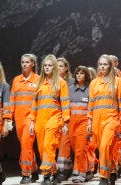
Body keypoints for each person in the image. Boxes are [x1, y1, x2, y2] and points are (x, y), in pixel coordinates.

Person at [28, 54, 71, 185]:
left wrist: (65, 122)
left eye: (50, 65)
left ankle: (46, 175)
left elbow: (65, 104)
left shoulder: (61, 83)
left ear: (54, 67)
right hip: (40, 119)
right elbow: (34, 104)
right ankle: (55, 173)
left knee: (48, 145)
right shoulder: (39, 83)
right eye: (45, 65)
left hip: (54, 118)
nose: (47, 67)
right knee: (42, 149)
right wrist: (32, 121)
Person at [87, 55, 121, 185]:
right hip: (97, 120)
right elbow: (91, 104)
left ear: (110, 66)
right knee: (104, 148)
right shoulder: (94, 83)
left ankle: (103, 177)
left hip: (112, 118)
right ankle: (113, 170)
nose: (102, 66)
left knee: (105, 146)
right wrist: (89, 120)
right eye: (100, 64)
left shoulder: (117, 82)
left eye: (105, 64)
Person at [10, 54, 41, 183]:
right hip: (18, 119)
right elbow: (12, 101)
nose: (24, 64)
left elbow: (40, 101)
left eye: (27, 62)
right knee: (25, 146)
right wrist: (8, 119)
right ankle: (34, 169)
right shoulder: (16, 80)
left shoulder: (39, 79)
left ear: (32, 64)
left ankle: (26, 173)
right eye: (22, 62)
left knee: (26, 145)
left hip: (31, 117)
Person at [68, 66, 93, 183]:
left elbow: (91, 109)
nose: (79, 75)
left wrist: (90, 122)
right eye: (77, 73)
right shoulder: (70, 89)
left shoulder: (90, 90)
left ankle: (80, 174)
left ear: (86, 75)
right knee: (75, 148)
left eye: (82, 73)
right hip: (72, 123)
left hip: (84, 123)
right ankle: (87, 170)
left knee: (80, 149)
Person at [56, 57, 75, 181]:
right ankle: (66, 167)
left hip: (70, 116)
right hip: (55, 116)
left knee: (65, 144)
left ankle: (62, 170)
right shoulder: (52, 81)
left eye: (61, 66)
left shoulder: (72, 82)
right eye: (56, 66)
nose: (58, 69)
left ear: (66, 68)